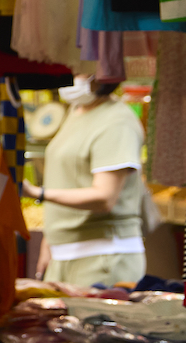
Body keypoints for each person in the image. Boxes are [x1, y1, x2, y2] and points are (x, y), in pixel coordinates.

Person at [21, 75, 148, 286]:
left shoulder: (117, 122)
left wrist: (37, 193)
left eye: (81, 70)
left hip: (102, 256)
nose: (72, 76)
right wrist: (50, 238)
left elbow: (104, 197)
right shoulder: (76, 111)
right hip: (66, 254)